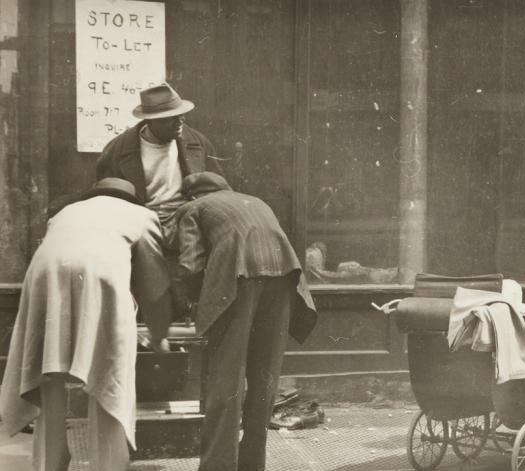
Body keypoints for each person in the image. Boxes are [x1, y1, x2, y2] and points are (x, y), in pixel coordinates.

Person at [0, 178, 173, 471]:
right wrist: (158, 335)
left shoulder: (65, 213)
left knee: (50, 368)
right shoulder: (142, 215)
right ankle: (108, 465)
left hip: (44, 275)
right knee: (109, 372)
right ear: (130, 198)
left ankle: (51, 461)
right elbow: (155, 285)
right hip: (98, 274)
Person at [171, 172, 317, 471]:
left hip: (237, 280)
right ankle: (252, 463)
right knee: (265, 377)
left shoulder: (193, 208)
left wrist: (191, 303)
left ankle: (218, 466)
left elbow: (189, 265)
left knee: (226, 379)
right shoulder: (255, 201)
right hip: (284, 279)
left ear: (193, 195)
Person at [96, 82, 223, 239]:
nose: (180, 121)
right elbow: (106, 200)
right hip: (140, 221)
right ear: (150, 120)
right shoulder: (117, 149)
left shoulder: (198, 142)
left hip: (188, 218)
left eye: (181, 114)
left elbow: (218, 189)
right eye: (171, 118)